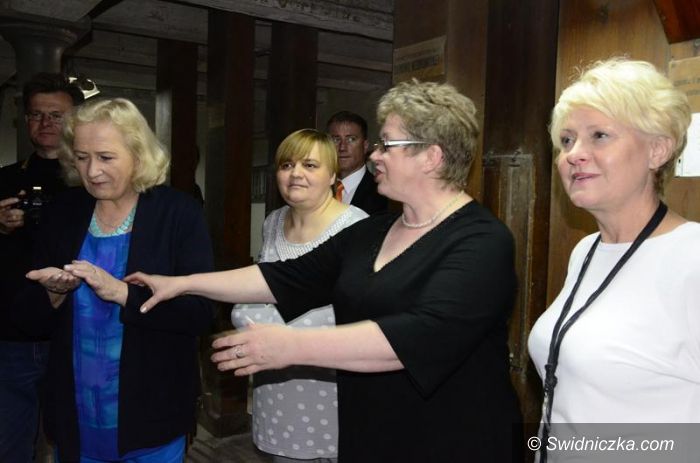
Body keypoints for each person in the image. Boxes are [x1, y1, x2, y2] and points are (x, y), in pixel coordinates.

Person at [127, 80, 523, 462]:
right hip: (370, 434)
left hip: (453, 439)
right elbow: (284, 276)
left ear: (431, 156)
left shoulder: (482, 240)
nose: (374, 155)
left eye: (387, 144)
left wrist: (290, 346)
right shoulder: (372, 231)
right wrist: (182, 283)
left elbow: (419, 336)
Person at [16, 97, 214, 462]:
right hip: (75, 410)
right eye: (81, 157)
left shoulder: (178, 213)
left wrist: (123, 293)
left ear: (138, 155)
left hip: (151, 409)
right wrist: (54, 293)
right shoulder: (65, 211)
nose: (92, 171)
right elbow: (31, 318)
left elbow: (201, 314)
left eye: (106, 157)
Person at [528, 58, 700, 462]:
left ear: (657, 149)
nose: (574, 154)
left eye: (599, 135)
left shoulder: (691, 257)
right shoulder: (586, 251)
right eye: (566, 140)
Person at [231, 128, 367, 462]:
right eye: (287, 165)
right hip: (276, 395)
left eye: (310, 165)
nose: (296, 174)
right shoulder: (272, 223)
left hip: (333, 398)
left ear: (332, 175)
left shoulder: (357, 228)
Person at [0, 72, 84, 463]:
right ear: (26, 121)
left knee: (76, 439)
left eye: (56, 115)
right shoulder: (5, 180)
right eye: (37, 114)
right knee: (10, 444)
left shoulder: (91, 183)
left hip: (76, 330)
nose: (45, 123)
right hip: (12, 332)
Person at [327, 111, 387, 215]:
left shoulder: (382, 194)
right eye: (336, 140)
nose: (342, 147)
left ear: (365, 146)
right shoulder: (317, 188)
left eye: (351, 139)